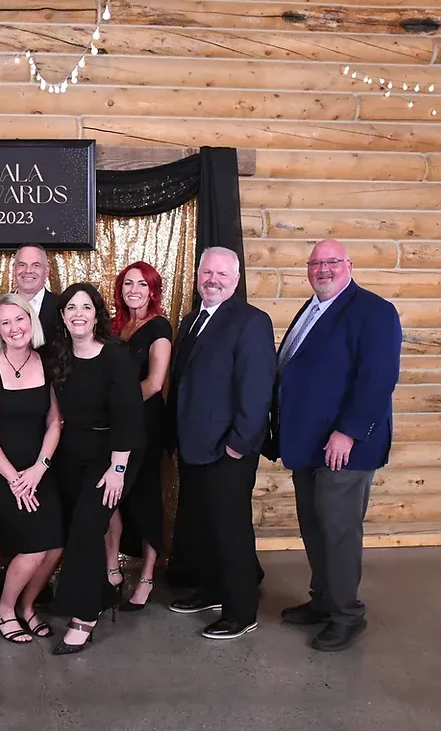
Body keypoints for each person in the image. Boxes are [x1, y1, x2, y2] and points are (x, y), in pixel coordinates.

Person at [266, 239, 402, 652]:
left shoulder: (374, 311)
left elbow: (378, 379)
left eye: (332, 262)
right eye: (315, 263)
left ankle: (347, 615)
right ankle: (323, 600)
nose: (323, 269)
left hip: (346, 446)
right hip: (309, 445)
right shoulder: (312, 308)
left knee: (339, 532)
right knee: (315, 526)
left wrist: (349, 431)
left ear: (349, 265)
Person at [166, 247, 276, 641]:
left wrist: (239, 445)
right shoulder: (191, 320)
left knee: (230, 531)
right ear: (198, 276)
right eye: (206, 272)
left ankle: (241, 610)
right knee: (203, 526)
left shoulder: (251, 321)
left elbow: (257, 389)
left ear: (236, 278)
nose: (212, 280)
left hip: (228, 450)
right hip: (195, 446)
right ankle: (212, 590)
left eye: (221, 274)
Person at [45, 284, 146, 655]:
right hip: (73, 451)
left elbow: (129, 417)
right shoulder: (57, 355)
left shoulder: (116, 357)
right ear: (62, 316)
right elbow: (56, 412)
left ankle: (84, 617)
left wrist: (118, 469)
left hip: (115, 452)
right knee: (76, 525)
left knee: (88, 527)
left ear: (97, 314)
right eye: (71, 308)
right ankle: (100, 592)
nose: (78, 314)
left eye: (86, 307)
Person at [0, 294, 64, 644]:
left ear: (31, 321)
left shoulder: (47, 363)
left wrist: (39, 468)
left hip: (38, 470)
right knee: (35, 547)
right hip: (0, 473)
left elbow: (55, 421)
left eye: (19, 319)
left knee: (55, 546)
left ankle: (27, 605)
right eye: (5, 322)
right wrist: (14, 478)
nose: (14, 328)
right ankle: (4, 610)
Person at [103, 262, 173, 611]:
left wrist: (119, 408)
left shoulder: (159, 327)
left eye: (142, 284)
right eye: (128, 283)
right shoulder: (117, 326)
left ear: (152, 290)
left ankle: (146, 577)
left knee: (145, 498)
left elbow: (155, 382)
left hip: (144, 422)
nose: (134, 289)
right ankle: (111, 568)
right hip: (115, 425)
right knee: (110, 497)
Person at [0, 244, 59, 336]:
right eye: (22, 265)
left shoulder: (61, 305)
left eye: (36, 265)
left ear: (46, 271)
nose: (28, 270)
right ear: (14, 269)